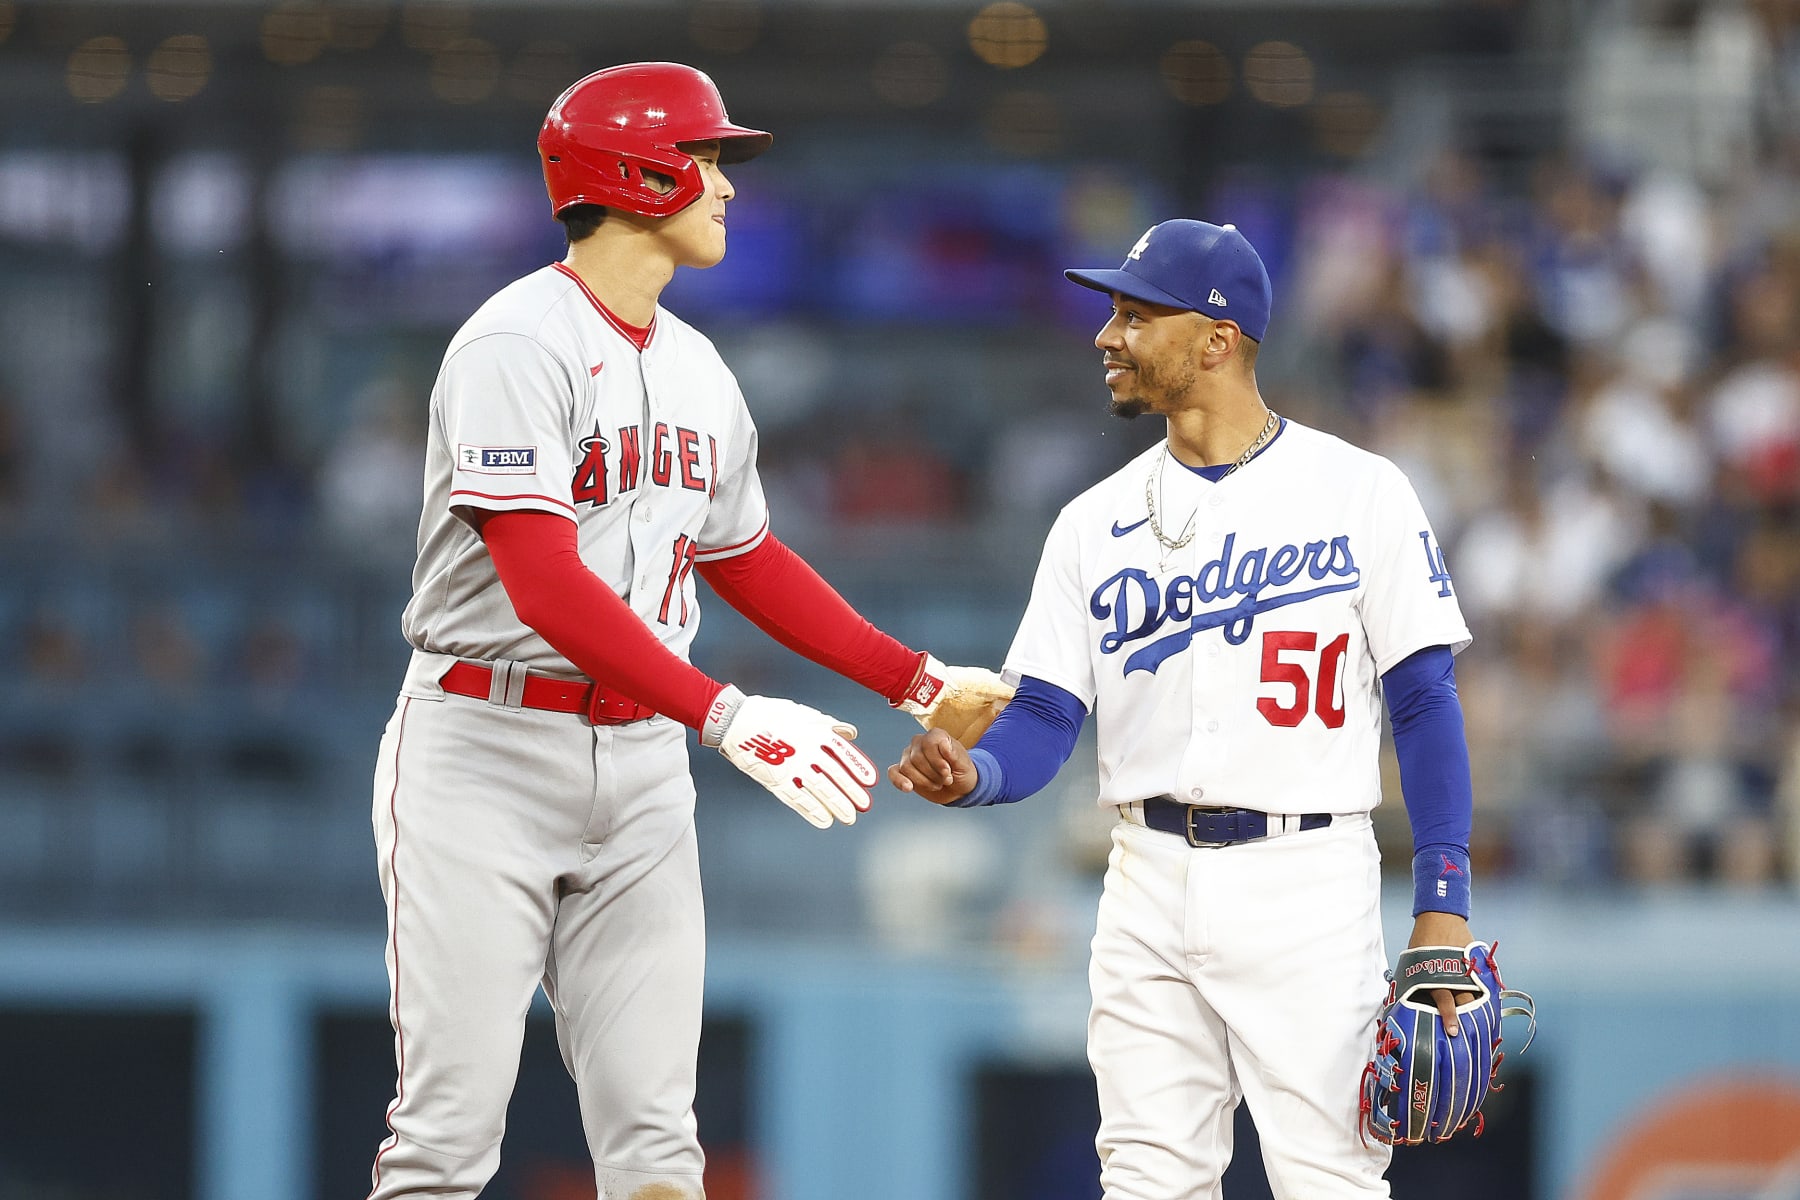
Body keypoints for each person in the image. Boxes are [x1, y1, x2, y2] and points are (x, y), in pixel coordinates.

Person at [367, 62, 998, 1200]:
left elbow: (745, 556)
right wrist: (728, 713)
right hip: (484, 748)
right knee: (445, 1144)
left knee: (659, 1150)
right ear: (635, 171)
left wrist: (915, 682)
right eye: (707, 159)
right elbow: (543, 588)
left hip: (644, 764)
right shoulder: (514, 342)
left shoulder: (700, 368)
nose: (727, 187)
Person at [890, 219, 1482, 1197]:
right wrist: (979, 777)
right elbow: (1043, 718)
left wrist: (1444, 906)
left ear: (1216, 339)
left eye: (1133, 314)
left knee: (1331, 1182)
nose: (1105, 336)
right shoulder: (1091, 524)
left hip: (1309, 878)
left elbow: (1423, 703)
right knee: (1146, 1183)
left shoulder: (1359, 492)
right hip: (1145, 879)